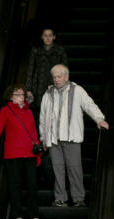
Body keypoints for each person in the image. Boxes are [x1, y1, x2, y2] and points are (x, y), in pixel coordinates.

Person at [38, 64, 109, 207]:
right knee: (58, 170)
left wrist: (99, 119)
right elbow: (43, 117)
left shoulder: (77, 90)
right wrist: (43, 138)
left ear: (66, 77)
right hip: (53, 140)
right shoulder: (48, 93)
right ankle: (60, 199)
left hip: (71, 137)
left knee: (74, 169)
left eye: (59, 76)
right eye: (54, 77)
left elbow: (89, 104)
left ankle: (78, 199)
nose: (56, 79)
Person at [0, 85, 42, 219]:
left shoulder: (29, 111)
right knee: (15, 185)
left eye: (22, 94)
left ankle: (34, 215)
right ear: (11, 97)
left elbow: (34, 133)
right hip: (13, 154)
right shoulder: (6, 111)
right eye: (17, 95)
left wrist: (38, 154)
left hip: (30, 153)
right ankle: (18, 215)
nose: (20, 97)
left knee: (32, 185)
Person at [25, 28, 69, 111]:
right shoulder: (36, 50)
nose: (48, 38)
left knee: (53, 110)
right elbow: (30, 70)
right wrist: (28, 89)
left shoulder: (60, 51)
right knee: (38, 111)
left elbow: (65, 71)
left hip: (54, 85)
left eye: (50, 36)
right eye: (45, 35)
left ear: (54, 37)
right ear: (42, 37)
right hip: (37, 86)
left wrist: (64, 87)